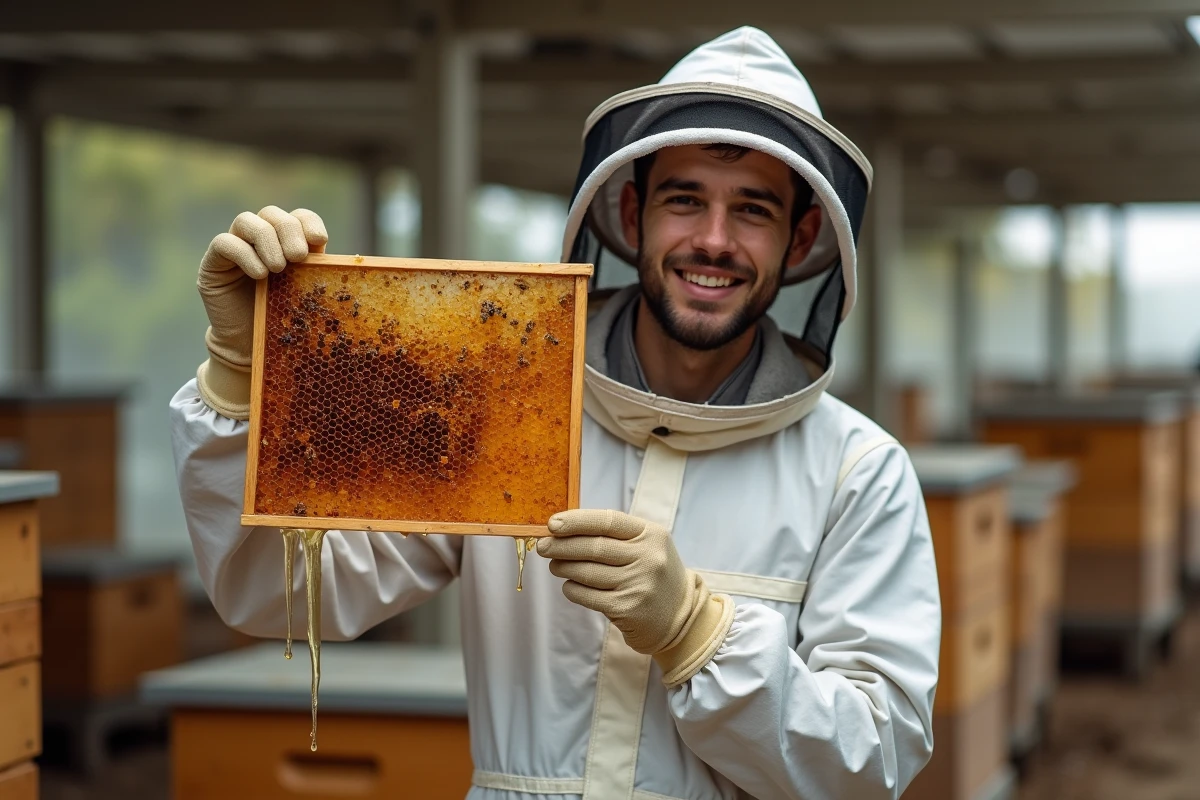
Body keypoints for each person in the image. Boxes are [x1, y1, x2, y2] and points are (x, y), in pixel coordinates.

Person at [171, 26, 940, 800]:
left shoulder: (856, 471)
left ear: (800, 235)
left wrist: (700, 634)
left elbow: (874, 762)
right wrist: (244, 379)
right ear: (632, 214)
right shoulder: (502, 409)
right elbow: (284, 593)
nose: (714, 240)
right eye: (685, 200)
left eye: (753, 210)